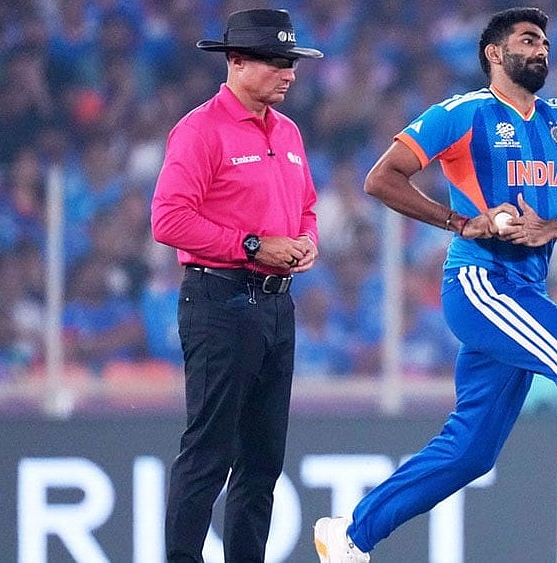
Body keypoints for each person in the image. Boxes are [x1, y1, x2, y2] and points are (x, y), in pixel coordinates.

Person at [313, 7, 557, 563]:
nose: (541, 49)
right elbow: (381, 178)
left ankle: (351, 534)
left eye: (545, 41)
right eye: (528, 40)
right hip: (479, 279)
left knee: (472, 451)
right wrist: (460, 221)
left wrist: (553, 227)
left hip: (526, 288)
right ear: (494, 54)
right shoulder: (465, 113)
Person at [150, 8, 322, 562]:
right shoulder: (200, 129)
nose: (288, 73)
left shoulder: (289, 132)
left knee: (263, 461)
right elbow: (168, 220)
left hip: (275, 305)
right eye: (276, 62)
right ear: (237, 61)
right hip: (219, 299)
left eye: (291, 62)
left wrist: (305, 240)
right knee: (208, 453)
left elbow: (307, 208)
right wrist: (253, 245)